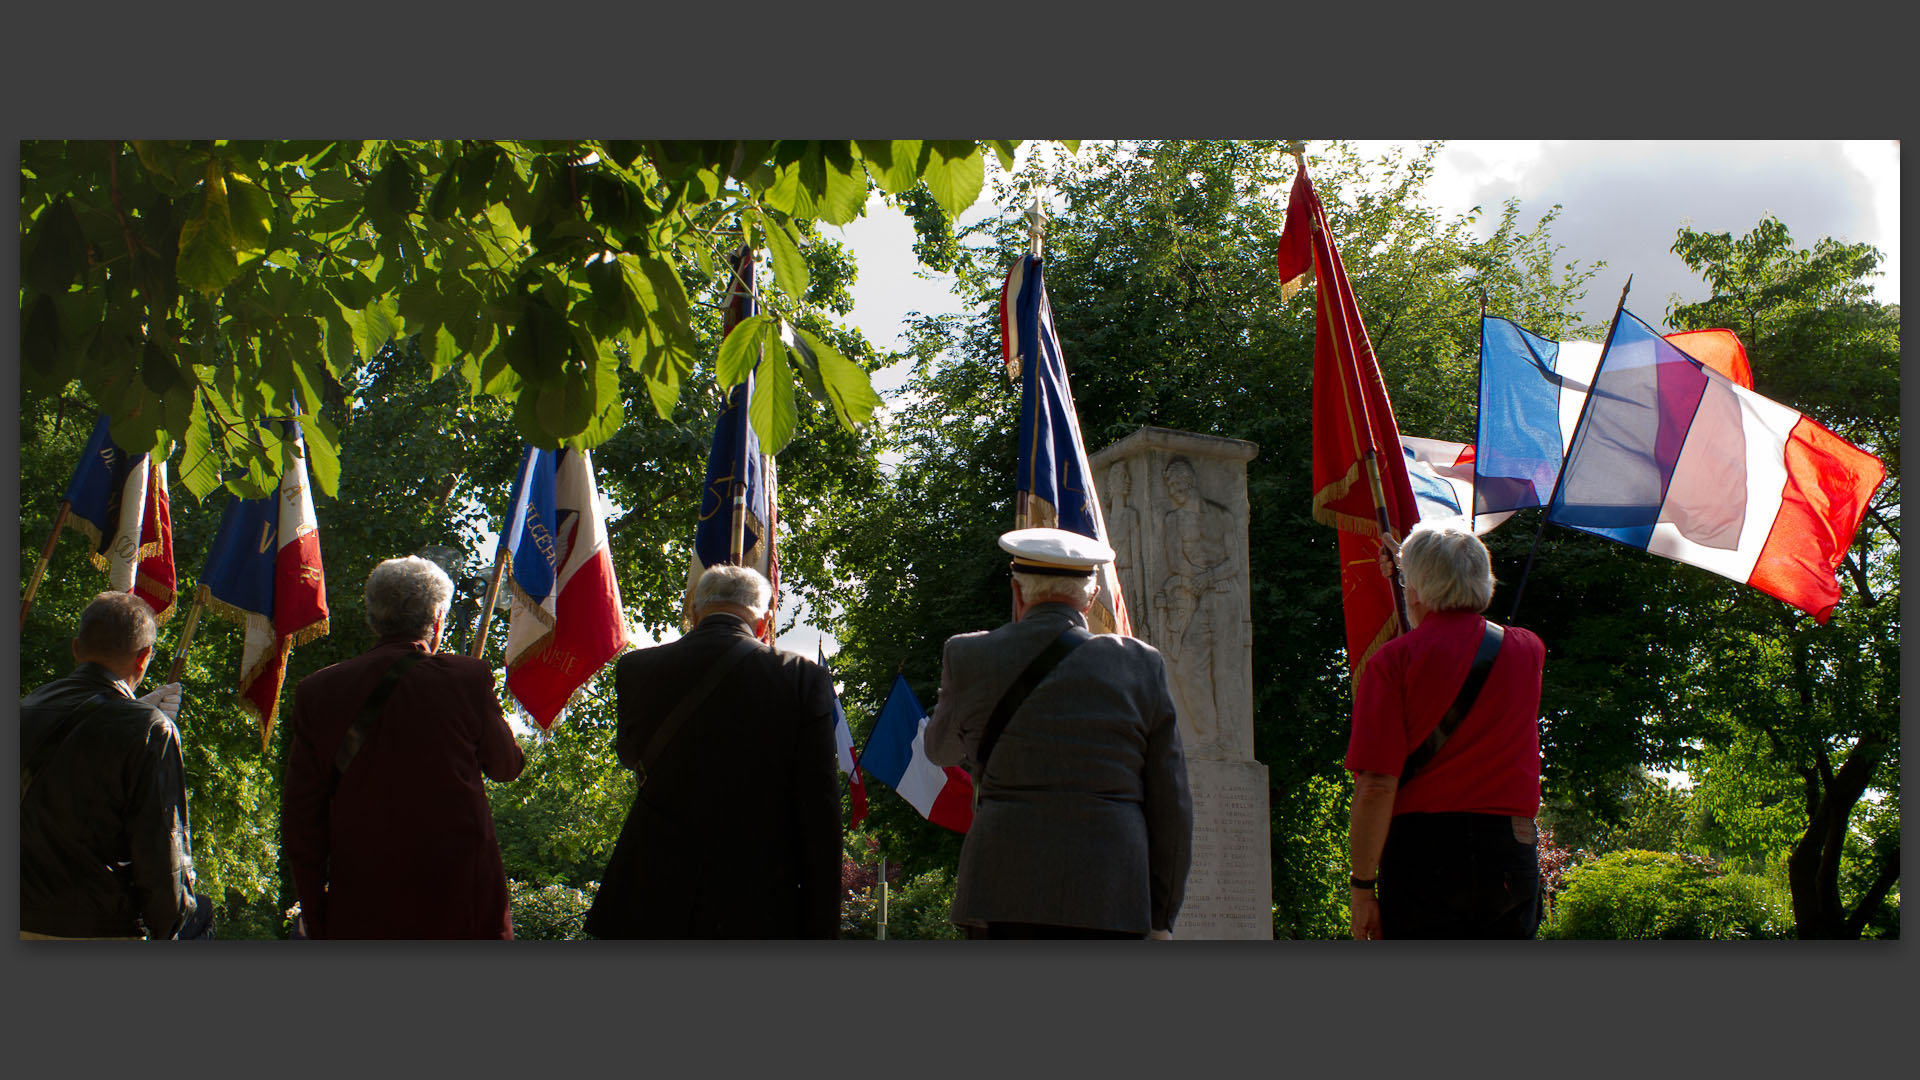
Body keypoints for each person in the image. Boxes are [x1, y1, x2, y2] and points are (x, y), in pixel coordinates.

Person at [926, 527, 1192, 939]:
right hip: (1113, 898)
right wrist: (1161, 916)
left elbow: (939, 751)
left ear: (1017, 592)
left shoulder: (967, 654)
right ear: (1090, 596)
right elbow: (1171, 804)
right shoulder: (1142, 665)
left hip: (1000, 894)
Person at [585, 564, 840, 938]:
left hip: (650, 890)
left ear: (693, 612)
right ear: (764, 622)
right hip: (758, 895)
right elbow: (819, 805)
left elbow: (630, 755)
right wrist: (822, 924)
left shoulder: (636, 668)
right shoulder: (801, 676)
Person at [282, 555, 526, 939]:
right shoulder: (467, 679)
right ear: (438, 618)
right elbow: (506, 767)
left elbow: (302, 819)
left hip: (363, 904)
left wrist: (316, 910)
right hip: (462, 904)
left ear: (372, 617)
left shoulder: (318, 691)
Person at [1345, 521, 1546, 940]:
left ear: (1414, 589)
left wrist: (1362, 887)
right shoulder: (1528, 649)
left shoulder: (1392, 663)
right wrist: (1416, 569)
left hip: (1425, 854)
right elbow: (1457, 649)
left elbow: (1377, 786)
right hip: (1510, 852)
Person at [21, 591, 205, 940]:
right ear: (144, 657)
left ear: (76, 648)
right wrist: (171, 925)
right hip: (97, 928)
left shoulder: (23, 708)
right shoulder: (150, 730)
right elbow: (161, 849)